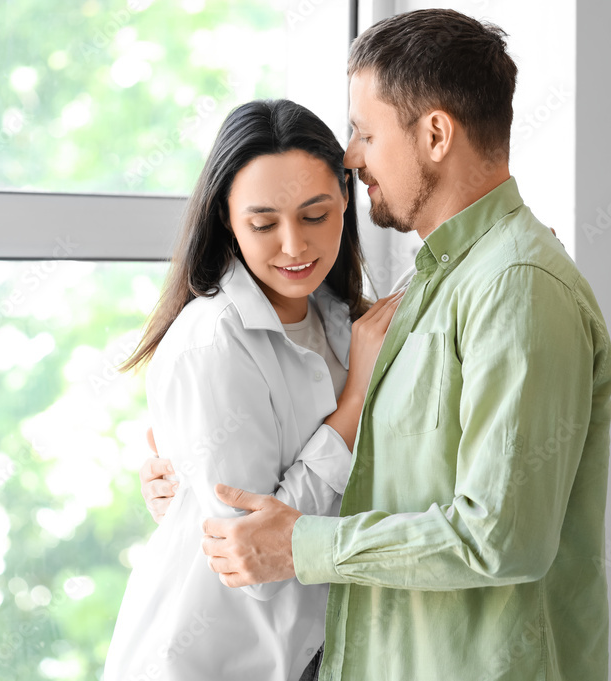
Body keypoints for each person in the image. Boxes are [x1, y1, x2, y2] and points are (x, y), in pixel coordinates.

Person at [142, 9, 611, 680]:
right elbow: (387, 473)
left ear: (435, 135)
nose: (352, 156)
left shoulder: (516, 285)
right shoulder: (432, 284)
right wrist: (191, 483)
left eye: (365, 132)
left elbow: (498, 535)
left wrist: (298, 543)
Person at [105, 98, 402, 681]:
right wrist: (355, 403)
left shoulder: (342, 318)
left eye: (316, 216)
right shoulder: (212, 342)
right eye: (263, 224)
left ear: (347, 195)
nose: (294, 246)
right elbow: (253, 553)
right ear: (225, 218)